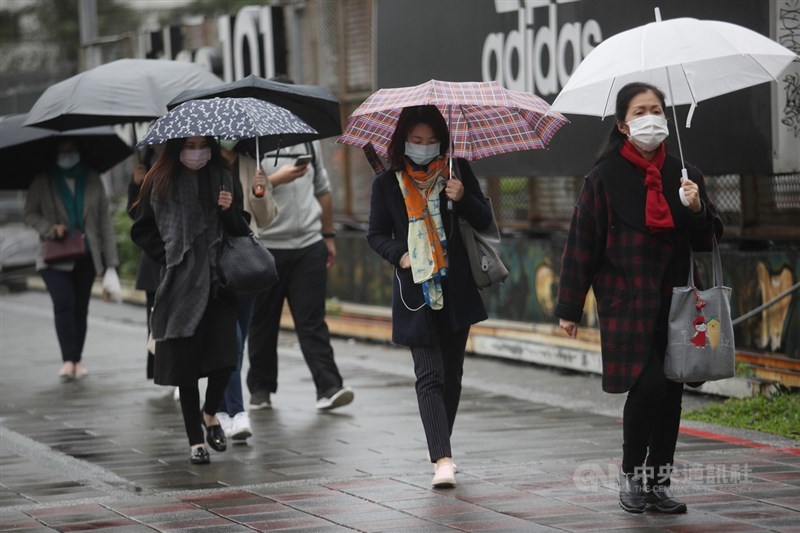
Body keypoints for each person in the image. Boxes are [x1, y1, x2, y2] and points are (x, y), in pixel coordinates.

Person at [554, 82, 723, 514]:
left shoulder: (687, 175)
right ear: (623, 125)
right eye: (639, 111)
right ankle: (633, 473)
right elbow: (581, 245)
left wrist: (696, 207)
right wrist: (569, 308)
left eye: (656, 110)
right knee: (646, 386)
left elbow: (708, 239)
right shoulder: (602, 179)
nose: (650, 118)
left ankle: (659, 482)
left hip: (680, 302)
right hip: (625, 303)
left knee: (671, 391)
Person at [366, 105, 492, 488]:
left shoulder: (457, 171)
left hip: (457, 288)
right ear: (403, 141)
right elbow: (375, 234)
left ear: (442, 141)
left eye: (430, 141)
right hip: (416, 290)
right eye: (416, 141)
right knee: (429, 374)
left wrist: (464, 196)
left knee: (452, 374)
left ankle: (439, 440)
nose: (423, 147)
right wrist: (400, 255)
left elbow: (485, 218)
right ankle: (443, 459)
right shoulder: (387, 183)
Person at [130, 136, 251, 465]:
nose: (196, 152)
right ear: (176, 147)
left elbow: (242, 229)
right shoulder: (159, 179)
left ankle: (210, 412)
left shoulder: (223, 176)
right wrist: (169, 256)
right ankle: (195, 441)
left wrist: (228, 211)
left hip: (218, 281)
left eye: (202, 145)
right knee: (187, 366)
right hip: (180, 285)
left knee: (227, 357)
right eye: (189, 145)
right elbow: (141, 230)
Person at [246, 129, 354, 411]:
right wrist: (274, 180)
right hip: (265, 246)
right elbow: (244, 193)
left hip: (308, 245)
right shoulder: (253, 143)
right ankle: (260, 388)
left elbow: (323, 190)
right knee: (262, 323)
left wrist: (328, 236)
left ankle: (329, 387)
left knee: (312, 320)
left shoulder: (309, 139)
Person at [25, 138, 120, 382]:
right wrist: (49, 228)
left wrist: (110, 263)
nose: (67, 155)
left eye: (72, 150)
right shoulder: (42, 180)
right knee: (64, 302)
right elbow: (30, 213)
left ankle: (77, 359)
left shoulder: (92, 179)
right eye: (62, 151)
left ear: (80, 152)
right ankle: (68, 359)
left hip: (86, 254)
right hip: (53, 256)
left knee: (81, 307)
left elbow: (104, 223)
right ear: (55, 154)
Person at [215, 140, 278, 442]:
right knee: (230, 338)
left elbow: (265, 218)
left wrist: (260, 193)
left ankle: (222, 408)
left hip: (243, 262)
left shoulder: (251, 164)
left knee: (238, 341)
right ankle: (235, 411)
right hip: (214, 262)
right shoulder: (204, 163)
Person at [127, 148, 164, 381]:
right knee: (156, 319)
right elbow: (136, 218)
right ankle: (162, 369)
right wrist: (136, 185)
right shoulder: (147, 161)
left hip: (188, 260)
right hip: (155, 260)